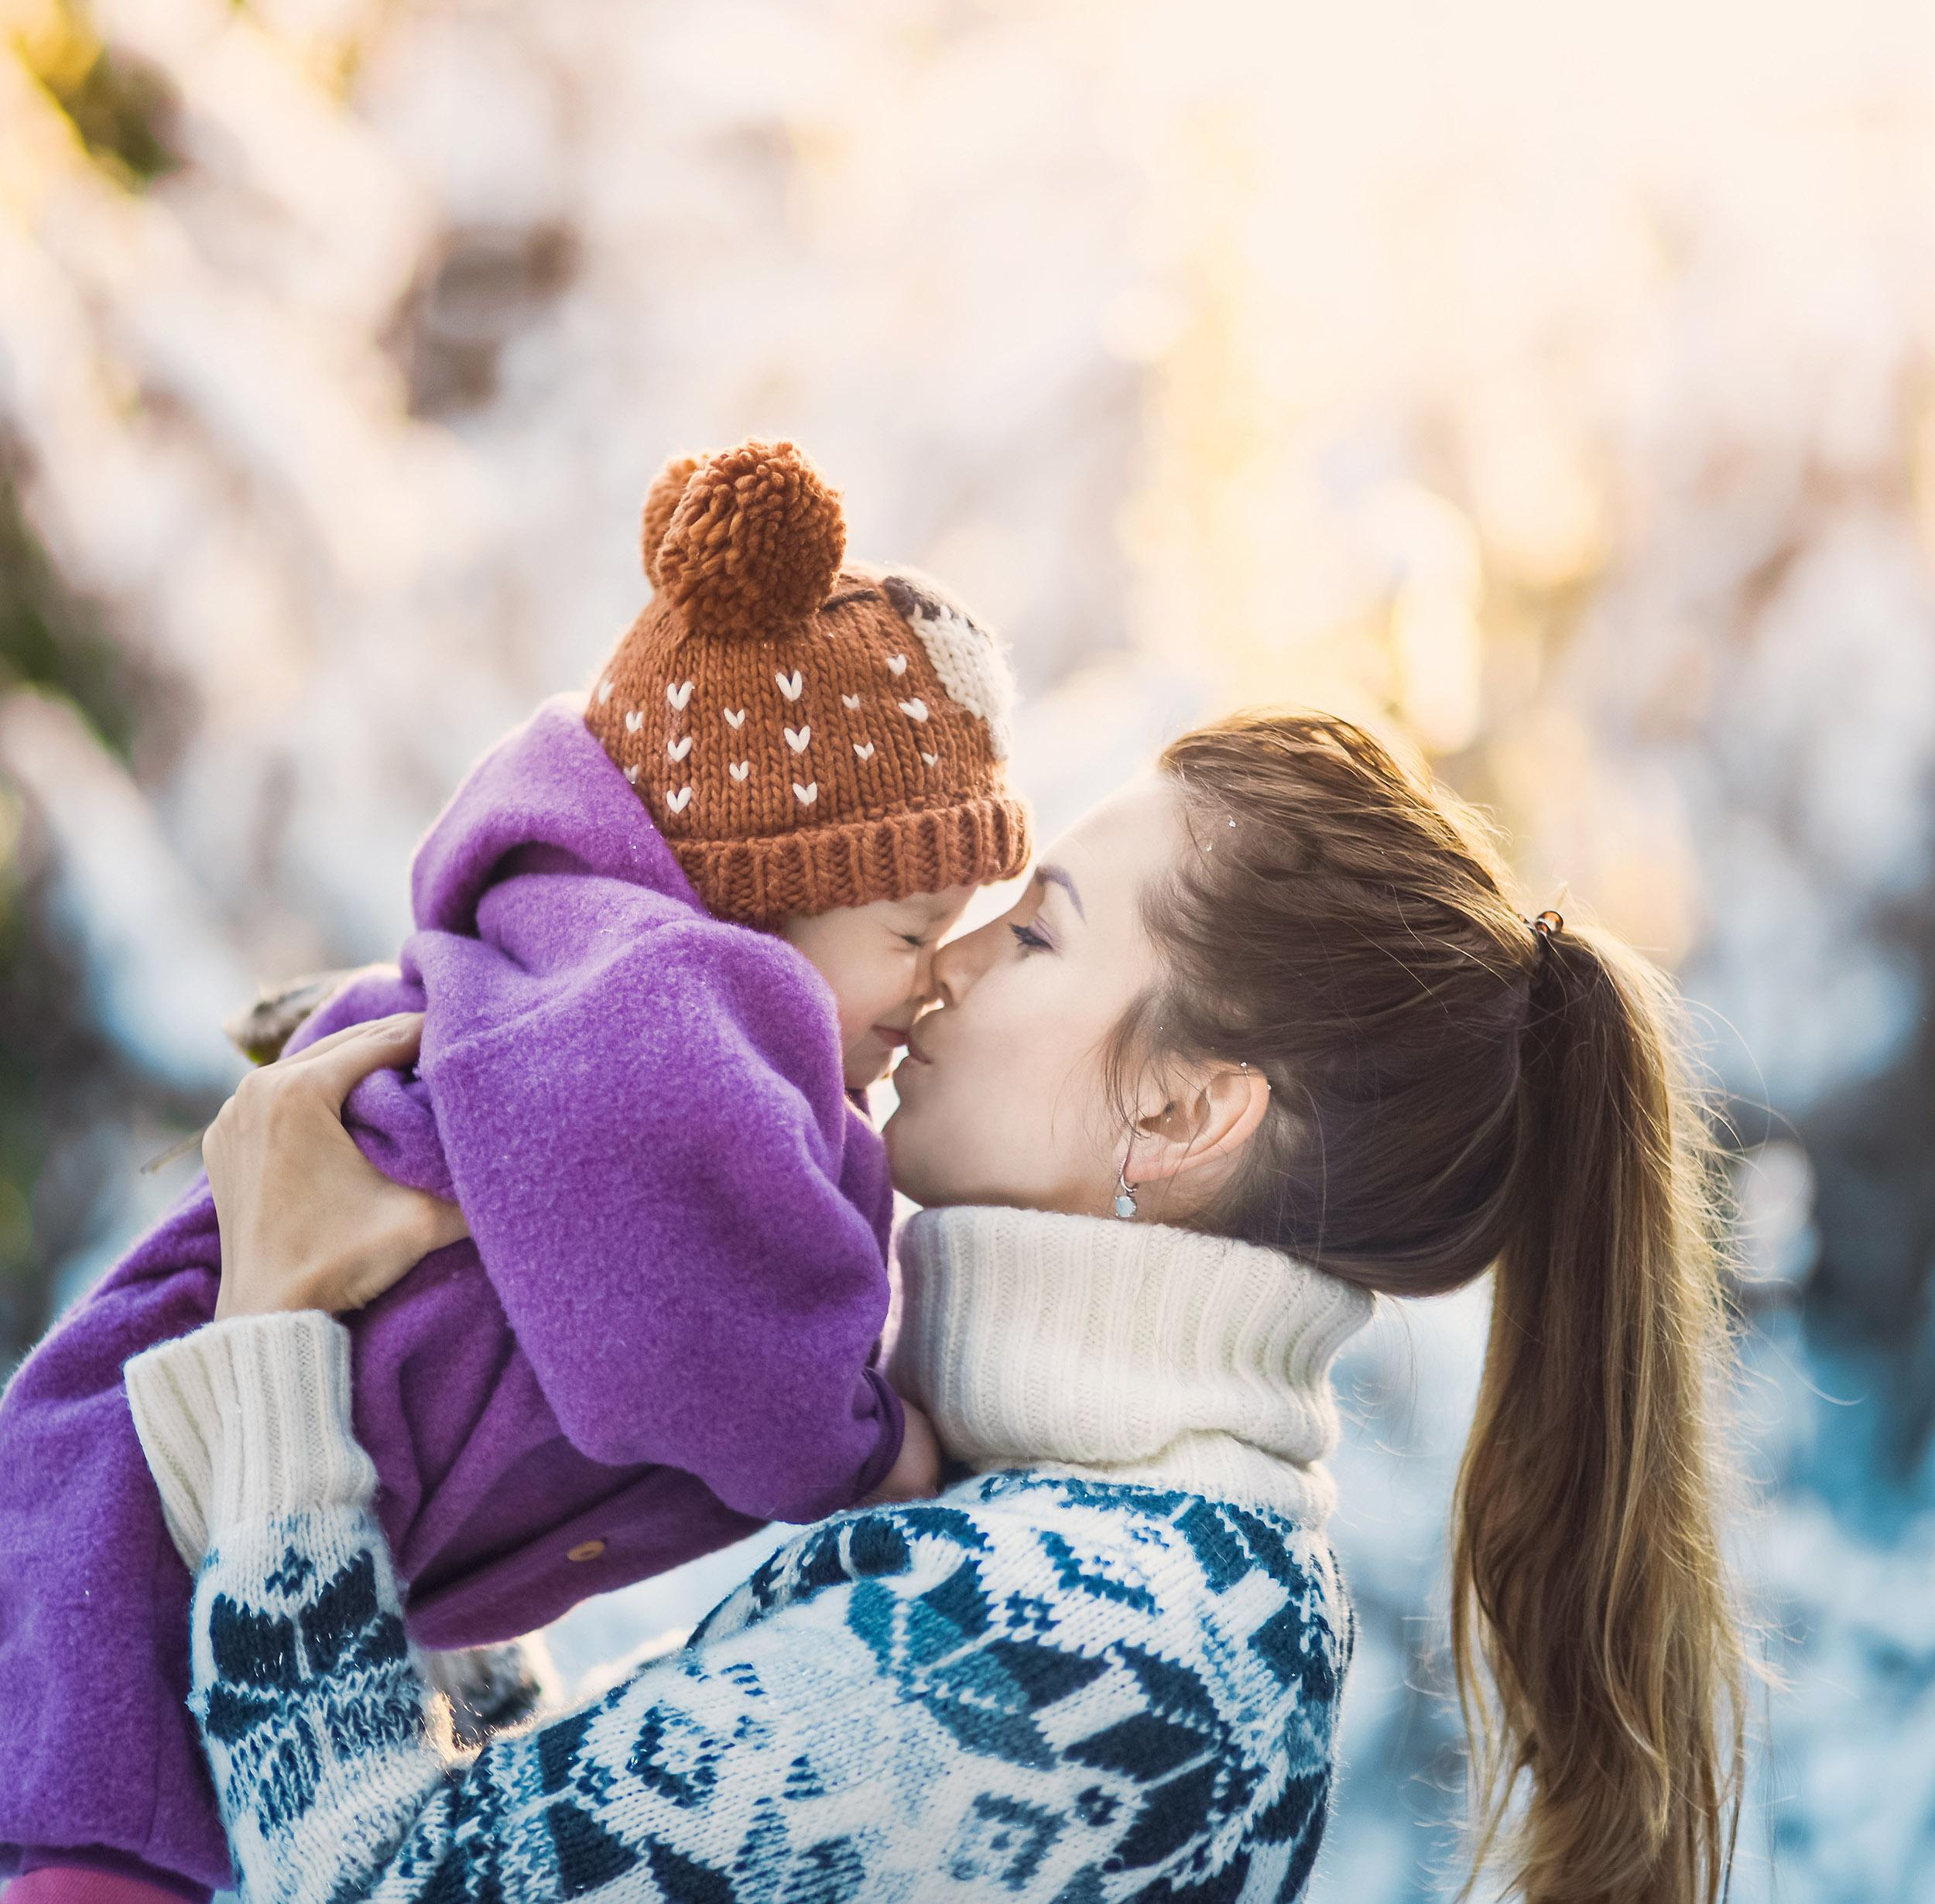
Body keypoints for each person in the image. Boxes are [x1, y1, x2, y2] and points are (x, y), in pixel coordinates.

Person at [122, 711, 1747, 1904]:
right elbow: (585, 1858)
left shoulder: (1088, 1624)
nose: (944, 965)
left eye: (1033, 930)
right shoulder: (1154, 1573)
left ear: (1183, 1112)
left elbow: (382, 1892)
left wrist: (281, 1346)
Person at [0, 439, 1033, 1899]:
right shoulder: (668, 1017)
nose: (935, 983)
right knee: (105, 1856)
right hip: (145, 1518)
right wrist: (879, 1450)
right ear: (760, 899)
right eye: (914, 931)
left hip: (170, 1521)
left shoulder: (602, 985)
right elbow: (696, 1343)